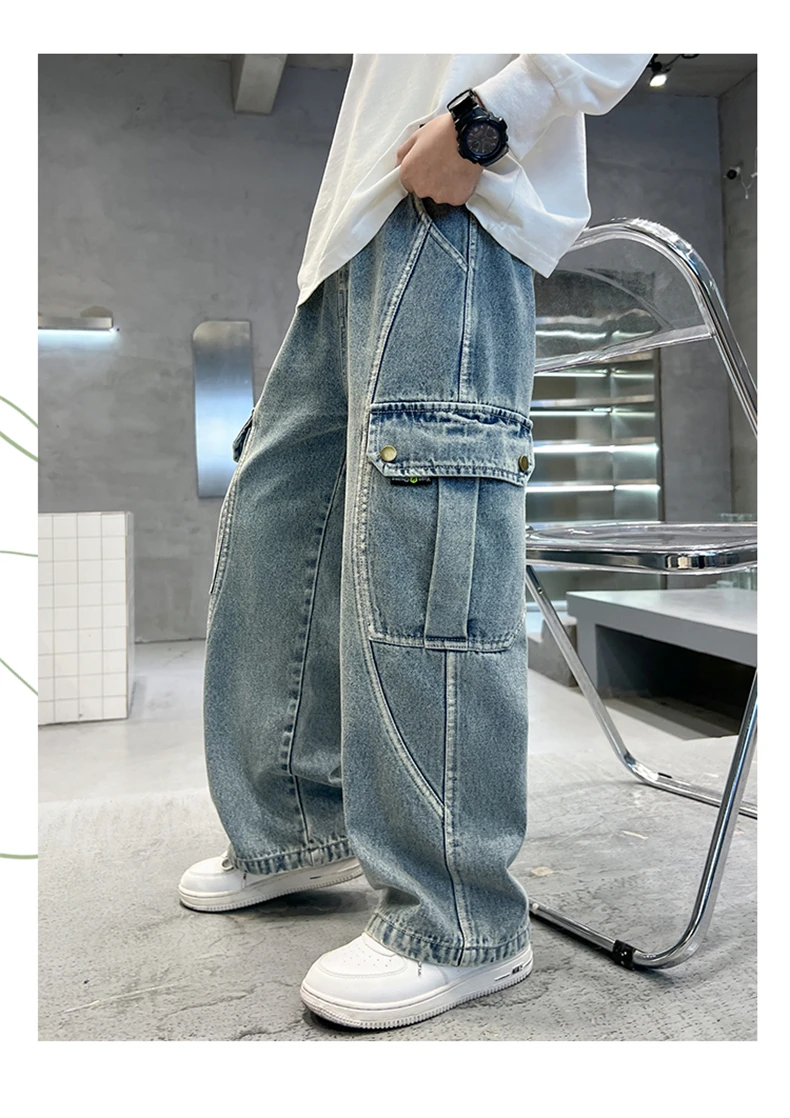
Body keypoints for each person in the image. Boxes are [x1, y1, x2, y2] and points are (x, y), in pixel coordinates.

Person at [178, 53, 651, 1031]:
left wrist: (487, 121)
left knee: (424, 524)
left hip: (455, 200)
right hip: (348, 238)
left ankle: (458, 918)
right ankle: (297, 826)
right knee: (275, 526)